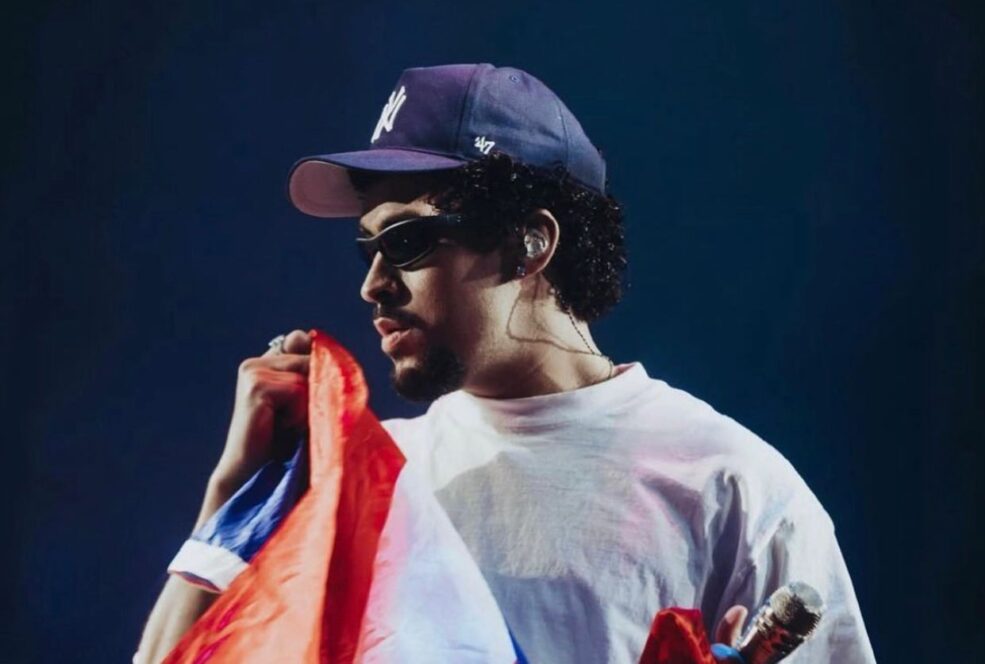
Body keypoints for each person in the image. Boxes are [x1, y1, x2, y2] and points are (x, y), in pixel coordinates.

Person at [136, 63, 876, 663]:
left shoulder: (732, 488)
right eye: (367, 250)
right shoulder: (372, 481)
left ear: (530, 243)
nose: (372, 285)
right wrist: (232, 496)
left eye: (406, 242)